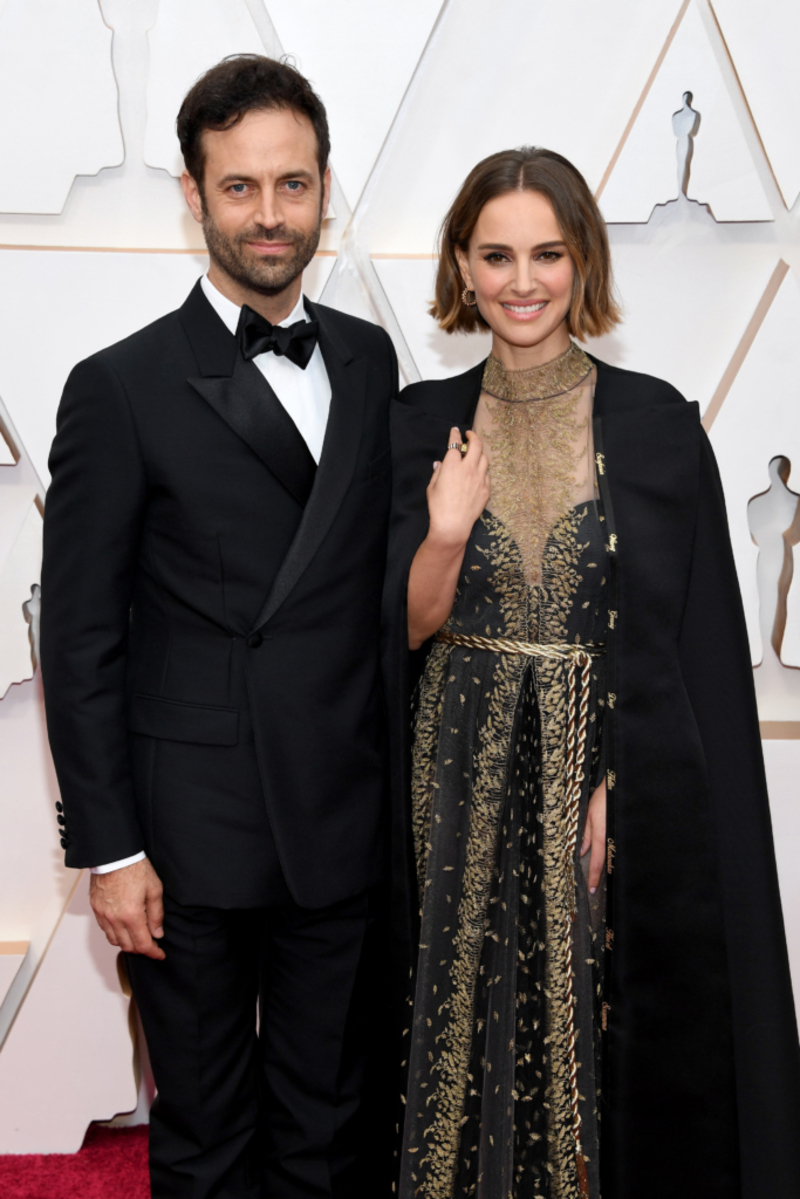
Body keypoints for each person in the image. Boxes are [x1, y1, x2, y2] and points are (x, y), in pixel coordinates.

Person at [385, 147, 800, 1199]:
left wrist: (626, 779)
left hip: (593, 771)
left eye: (546, 254)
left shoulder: (657, 427)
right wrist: (441, 533)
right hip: (454, 770)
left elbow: (683, 650)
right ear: (460, 267)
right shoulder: (410, 425)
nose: (521, 281)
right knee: (461, 1011)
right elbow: (399, 630)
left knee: (592, 1025)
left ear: (582, 263)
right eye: (495, 255)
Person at [41, 55, 396, 1199]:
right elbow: (80, 635)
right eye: (239, 188)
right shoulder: (121, 385)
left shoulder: (367, 355)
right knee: (203, 1131)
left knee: (329, 1122)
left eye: (291, 185)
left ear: (324, 189)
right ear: (194, 196)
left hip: (338, 810)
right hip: (185, 834)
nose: (269, 214)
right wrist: (109, 846)